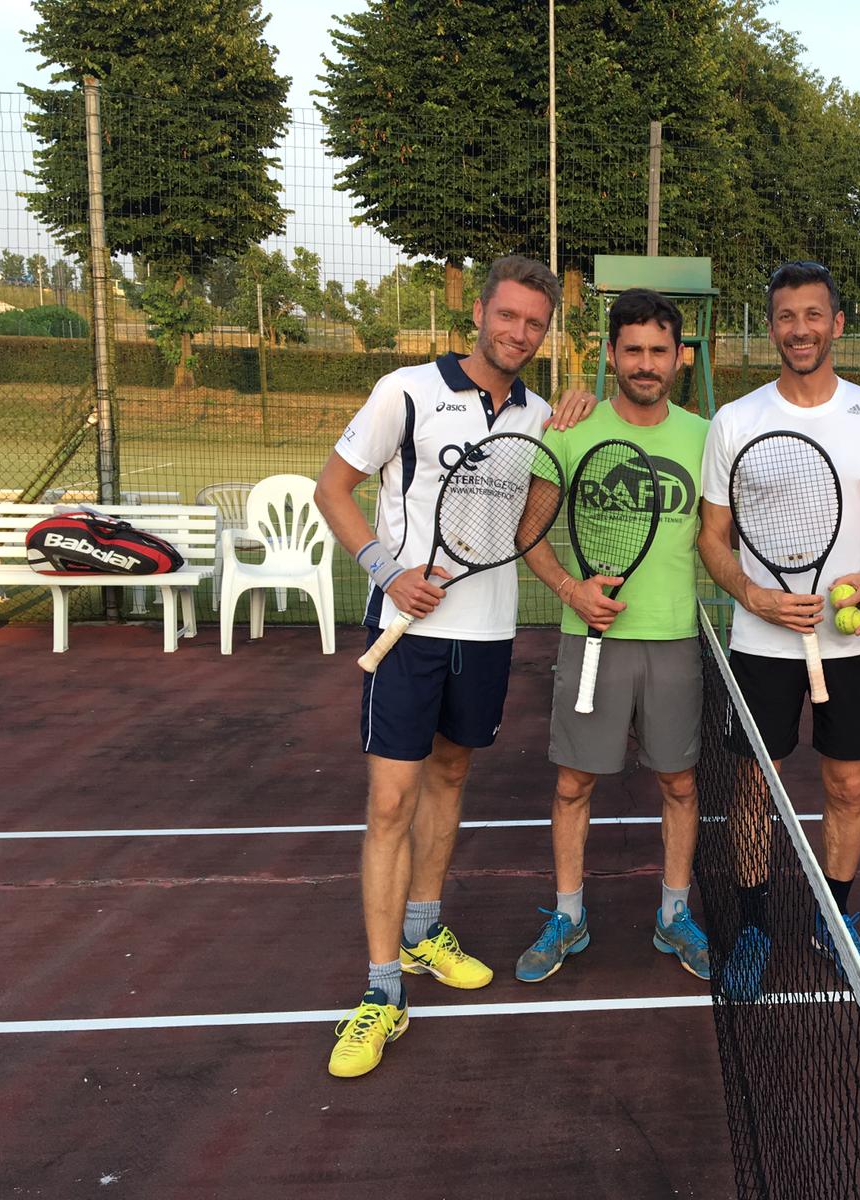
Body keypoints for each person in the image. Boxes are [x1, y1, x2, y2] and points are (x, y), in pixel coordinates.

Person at [313, 254, 561, 1078]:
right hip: (406, 633)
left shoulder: (540, 415)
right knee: (391, 802)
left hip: (487, 631)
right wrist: (387, 570)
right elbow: (334, 489)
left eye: (535, 323)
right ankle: (383, 990)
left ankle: (423, 934)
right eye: (508, 316)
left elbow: (536, 507)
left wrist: (570, 431)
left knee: (451, 779)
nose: (519, 333)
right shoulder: (407, 391)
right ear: (481, 313)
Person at [698, 260, 860, 993]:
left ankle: (834, 916)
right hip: (762, 641)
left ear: (837, 324)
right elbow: (711, 535)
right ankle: (757, 924)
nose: (800, 329)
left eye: (813, 315)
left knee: (848, 785)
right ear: (772, 329)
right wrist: (753, 596)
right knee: (755, 784)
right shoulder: (737, 420)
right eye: (786, 317)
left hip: (851, 640)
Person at [514, 288, 713, 983]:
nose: (647, 363)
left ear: (680, 359)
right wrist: (572, 590)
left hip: (674, 640)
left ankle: (673, 915)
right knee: (573, 784)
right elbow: (529, 535)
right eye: (633, 349)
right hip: (590, 639)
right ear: (611, 354)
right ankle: (568, 914)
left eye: (660, 350)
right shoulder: (569, 430)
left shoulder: (704, 437)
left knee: (680, 785)